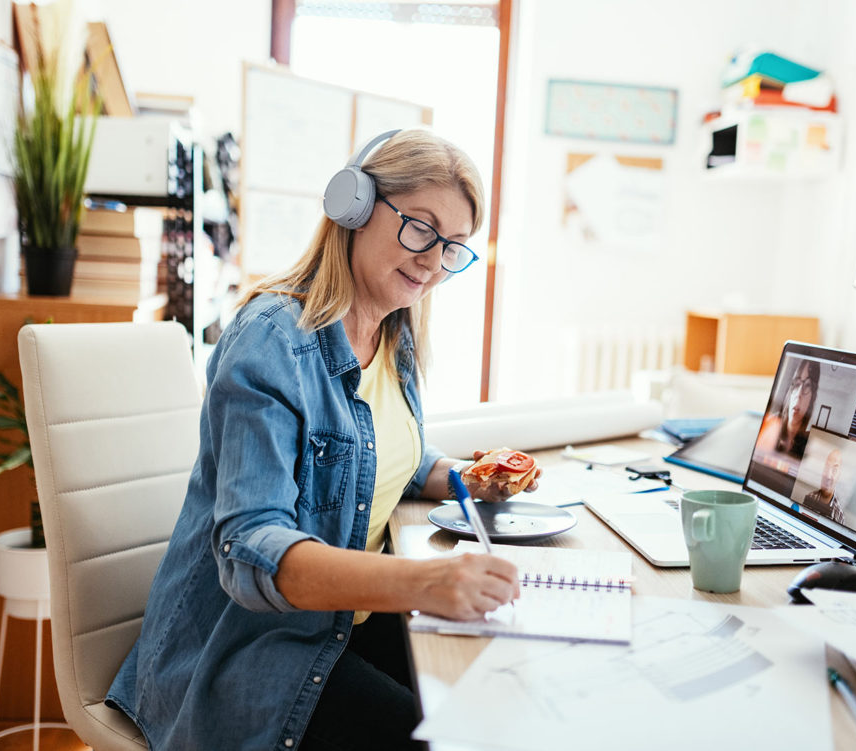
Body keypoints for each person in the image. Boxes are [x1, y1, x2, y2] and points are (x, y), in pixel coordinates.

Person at [105, 129, 538, 751]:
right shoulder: (272, 342)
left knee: (500, 690)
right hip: (249, 651)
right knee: (444, 737)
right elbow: (251, 550)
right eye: (420, 229)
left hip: (339, 623)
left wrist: (472, 476)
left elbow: (387, 463)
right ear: (353, 207)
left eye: (453, 248)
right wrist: (424, 583)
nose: (431, 260)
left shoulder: (394, 335)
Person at [756, 358, 821, 463]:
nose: (799, 394)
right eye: (797, 383)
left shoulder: (809, 444)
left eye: (807, 385)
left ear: (812, 397)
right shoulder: (772, 425)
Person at [803, 449, 845, 523]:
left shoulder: (839, 516)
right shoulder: (809, 497)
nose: (828, 476)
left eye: (834, 470)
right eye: (827, 467)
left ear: (839, 476)